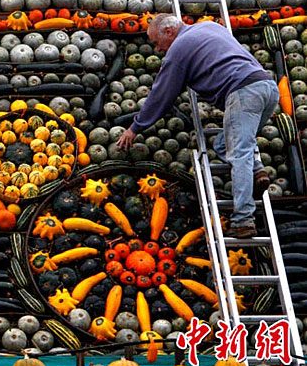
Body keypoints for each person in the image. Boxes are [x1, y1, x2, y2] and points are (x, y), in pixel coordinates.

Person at [117, 14, 277, 239]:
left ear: (169, 31)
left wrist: (135, 128)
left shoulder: (178, 49)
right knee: (224, 144)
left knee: (239, 154)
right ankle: (256, 170)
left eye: (156, 42)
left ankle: (243, 220)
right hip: (267, 87)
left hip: (243, 92)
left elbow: (162, 95)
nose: (158, 49)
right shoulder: (210, 26)